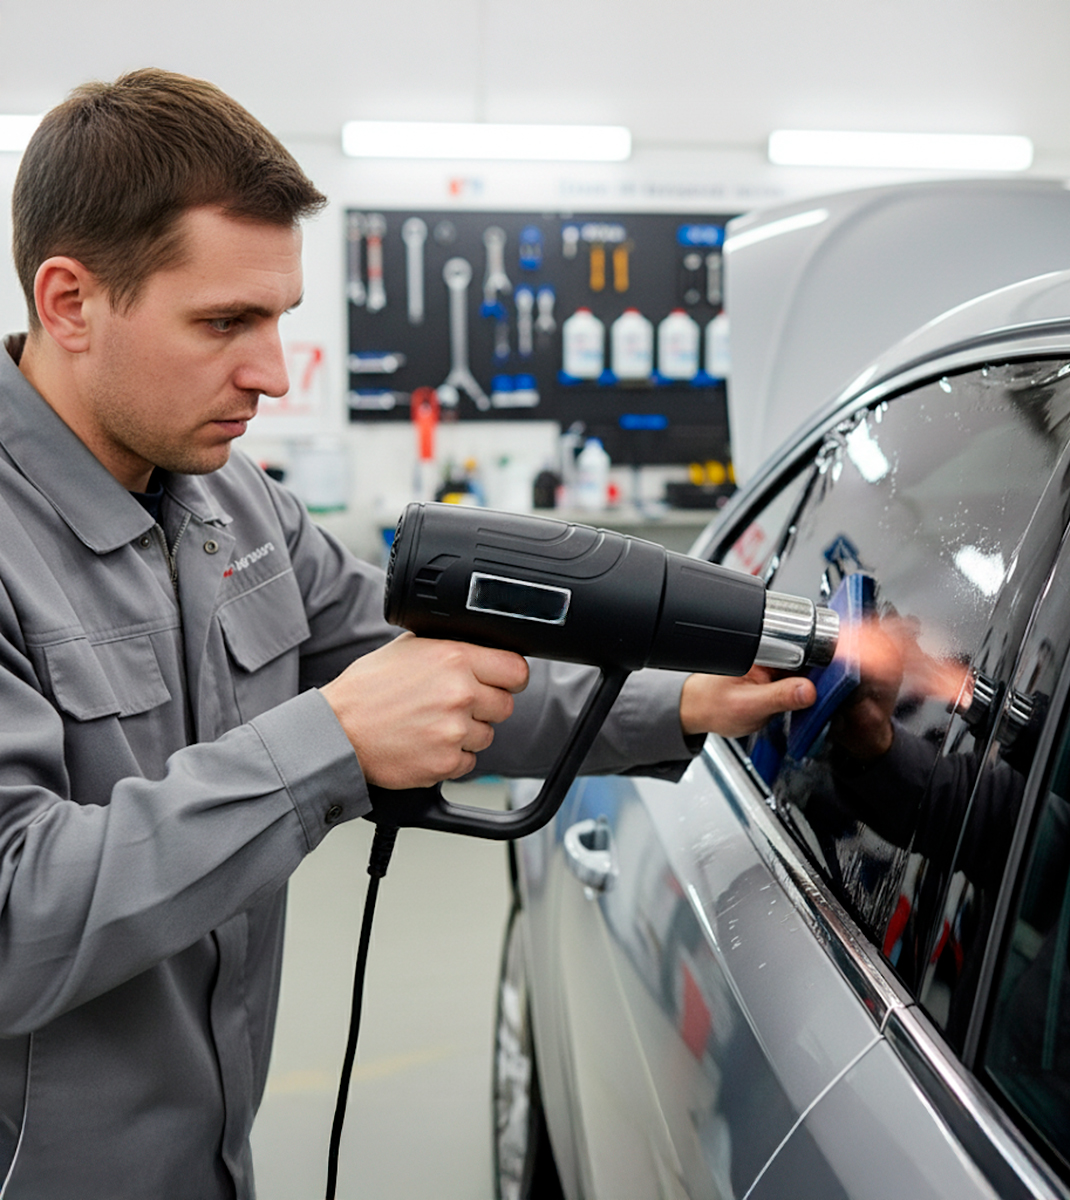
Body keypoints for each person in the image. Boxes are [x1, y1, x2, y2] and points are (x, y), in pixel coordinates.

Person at [0, 69, 812, 1198]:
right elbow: (13, 921)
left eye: (278, 318)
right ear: (70, 301)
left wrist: (677, 705)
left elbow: (425, 678)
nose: (272, 374)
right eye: (224, 322)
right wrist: (330, 742)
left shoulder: (240, 510)